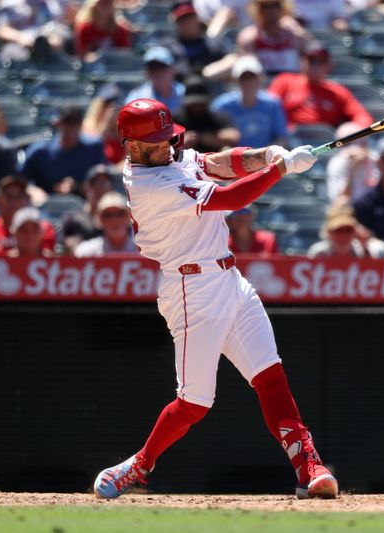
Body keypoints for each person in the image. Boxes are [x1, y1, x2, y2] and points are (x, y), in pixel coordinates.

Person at [93, 98, 338, 500]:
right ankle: (139, 465)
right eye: (154, 142)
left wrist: (265, 155)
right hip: (192, 292)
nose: (166, 146)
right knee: (194, 404)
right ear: (131, 147)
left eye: (165, 137)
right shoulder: (148, 184)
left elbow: (218, 162)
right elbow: (230, 199)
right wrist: (281, 169)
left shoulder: (169, 159)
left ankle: (309, 466)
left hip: (229, 280)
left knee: (270, 376)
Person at [268, 42, 373, 129]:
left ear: (329, 66)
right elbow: (266, 109)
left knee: (350, 130)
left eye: (321, 61)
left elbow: (362, 116)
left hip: (325, 146)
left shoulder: (336, 91)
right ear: (302, 62)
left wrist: (351, 130)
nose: (316, 66)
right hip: (288, 142)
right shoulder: (285, 81)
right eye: (312, 61)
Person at [20, 104, 107, 194]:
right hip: (46, 204)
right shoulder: (39, 151)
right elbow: (21, 181)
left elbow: (103, 180)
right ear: (57, 123)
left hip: (84, 203)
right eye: (67, 122)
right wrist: (35, 192)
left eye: (75, 122)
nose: (71, 127)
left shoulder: (94, 147)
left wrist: (78, 187)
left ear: (81, 125)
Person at [210, 55, 288, 148]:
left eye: (251, 77)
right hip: (232, 157)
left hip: (265, 157)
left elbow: (281, 137)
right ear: (236, 80)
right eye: (243, 78)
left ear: (260, 78)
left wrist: (266, 155)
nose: (248, 82)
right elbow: (214, 135)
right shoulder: (221, 105)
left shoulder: (272, 104)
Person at [0, 176, 56, 257]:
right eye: (9, 197)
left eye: (20, 196)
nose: (15, 202)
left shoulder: (44, 229)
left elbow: (47, 259)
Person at [236, 0, 312, 76]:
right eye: (265, 7)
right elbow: (248, 74)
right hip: (263, 86)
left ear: (282, 8)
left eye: (275, 5)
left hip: (293, 85)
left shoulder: (296, 35)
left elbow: (315, 55)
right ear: (258, 10)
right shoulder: (249, 37)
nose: (271, 10)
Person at [174, 78, 240, 152]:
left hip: (214, 160)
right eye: (193, 104)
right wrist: (180, 143)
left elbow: (233, 136)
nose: (196, 107)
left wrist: (202, 138)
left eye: (199, 103)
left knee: (227, 149)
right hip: (183, 161)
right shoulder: (177, 119)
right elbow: (164, 142)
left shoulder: (216, 117)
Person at [307, 204, 384, 258]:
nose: (343, 236)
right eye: (338, 230)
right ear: (328, 232)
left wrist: (365, 249)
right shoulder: (318, 254)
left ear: (354, 232)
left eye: (348, 230)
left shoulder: (364, 252)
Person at [0, 0, 69, 61]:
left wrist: (55, 39)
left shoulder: (51, 6)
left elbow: (57, 27)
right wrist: (20, 38)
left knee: (61, 60)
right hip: (19, 46)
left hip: (47, 47)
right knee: (14, 54)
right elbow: (2, 31)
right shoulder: (10, 4)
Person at [165, 3, 228, 76]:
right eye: (182, 19)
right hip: (181, 84)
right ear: (177, 23)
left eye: (190, 17)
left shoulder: (213, 42)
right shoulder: (170, 45)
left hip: (212, 82)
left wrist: (206, 72)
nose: (187, 22)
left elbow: (230, 60)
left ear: (197, 18)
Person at [125, 46, 187, 114]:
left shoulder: (185, 93)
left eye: (161, 67)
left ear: (172, 69)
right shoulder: (136, 98)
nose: (157, 72)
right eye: (152, 68)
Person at [74, 192, 138, 257]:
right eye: (108, 215)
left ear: (129, 217)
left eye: (120, 213)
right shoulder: (86, 253)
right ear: (99, 220)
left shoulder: (145, 250)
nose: (115, 220)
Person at [326, 122, 377, 203]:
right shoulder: (337, 163)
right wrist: (352, 169)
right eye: (348, 144)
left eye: (362, 142)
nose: (356, 146)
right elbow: (339, 201)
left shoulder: (375, 159)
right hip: (348, 212)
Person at [83, 83, 126, 166]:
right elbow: (92, 149)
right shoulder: (87, 126)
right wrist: (106, 123)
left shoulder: (125, 131)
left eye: (117, 103)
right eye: (107, 103)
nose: (112, 107)